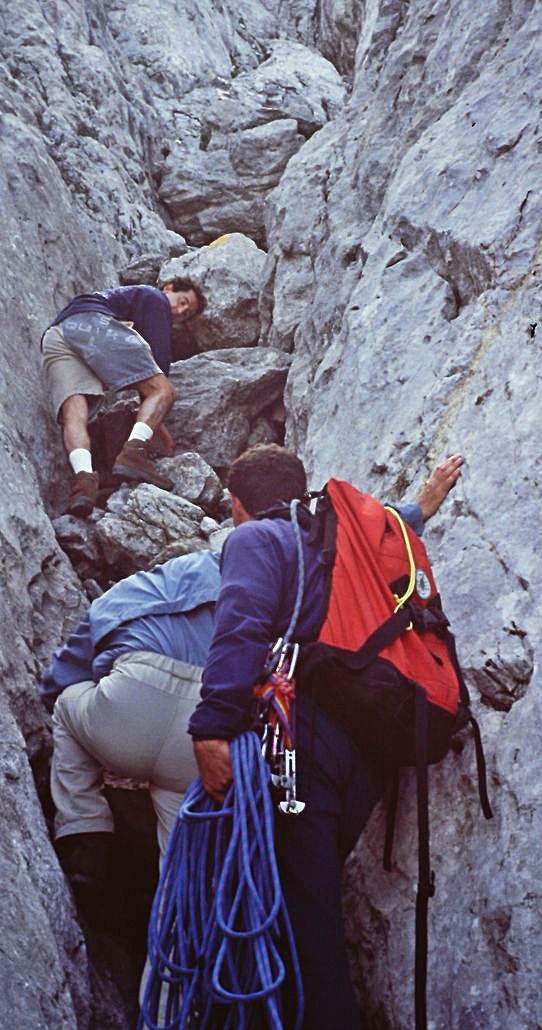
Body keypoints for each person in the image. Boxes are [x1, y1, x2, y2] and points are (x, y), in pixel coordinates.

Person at [188, 444, 463, 1030]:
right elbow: (389, 524)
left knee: (302, 920)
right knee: (306, 899)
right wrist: (420, 507)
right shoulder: (335, 537)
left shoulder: (255, 539)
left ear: (239, 505)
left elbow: (241, 626)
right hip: (364, 751)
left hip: (303, 745)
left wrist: (211, 728)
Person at [43, 548, 221, 897]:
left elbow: (60, 678)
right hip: (200, 734)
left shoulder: (142, 588)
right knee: (179, 877)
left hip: (131, 701)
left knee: (66, 706)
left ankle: (85, 831)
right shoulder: (255, 594)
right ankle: (172, 936)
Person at [40, 278, 206, 516]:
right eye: (182, 302)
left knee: (75, 415)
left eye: (185, 313)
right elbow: (158, 365)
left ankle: (84, 483)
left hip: (57, 334)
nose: (178, 311)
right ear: (168, 288)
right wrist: (157, 425)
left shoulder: (122, 298)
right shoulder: (154, 297)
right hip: (92, 323)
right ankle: (133, 453)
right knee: (164, 390)